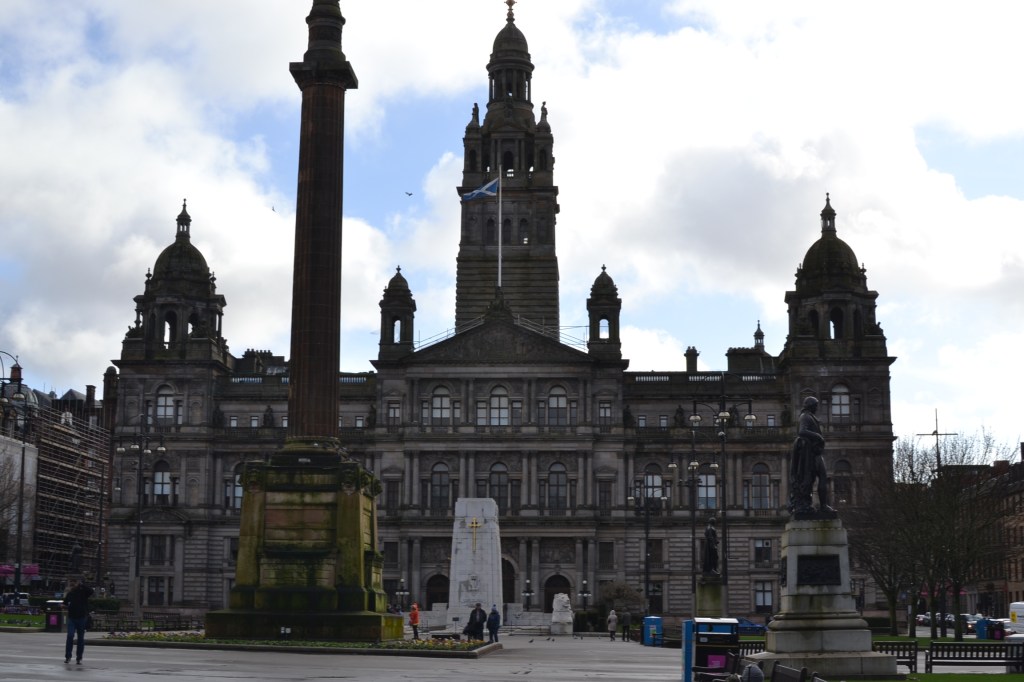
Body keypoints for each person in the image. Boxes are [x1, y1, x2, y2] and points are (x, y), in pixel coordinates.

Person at [789, 396, 833, 514]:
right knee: (811, 478)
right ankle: (808, 504)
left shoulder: (811, 417)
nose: (817, 407)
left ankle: (823, 505)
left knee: (823, 477)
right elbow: (802, 432)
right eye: (815, 405)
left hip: (815, 452)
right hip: (810, 454)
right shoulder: (805, 417)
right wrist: (818, 436)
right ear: (810, 405)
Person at [63, 578, 93, 665]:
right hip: (72, 618)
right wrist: (63, 606)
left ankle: (79, 658)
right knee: (70, 636)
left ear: (78, 583)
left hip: (81, 618)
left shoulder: (83, 592)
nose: (72, 583)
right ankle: (68, 656)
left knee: (80, 639)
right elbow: (65, 603)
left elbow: (91, 591)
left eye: (74, 582)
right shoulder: (70, 594)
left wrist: (82, 585)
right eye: (71, 582)